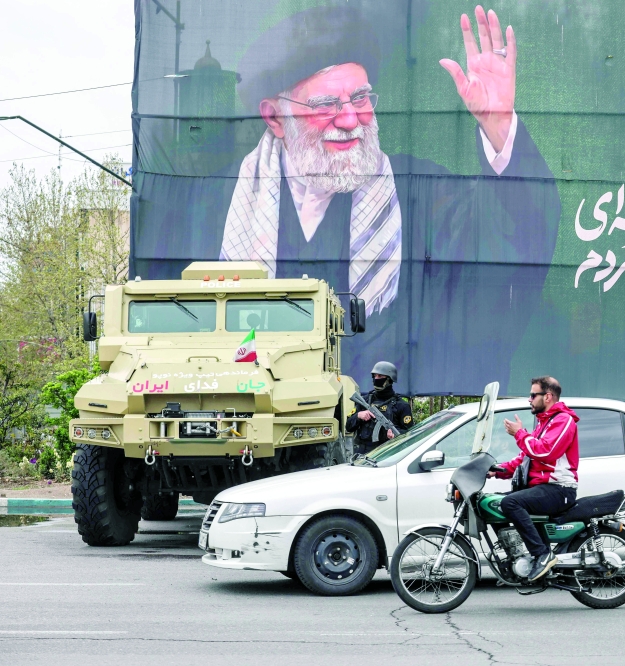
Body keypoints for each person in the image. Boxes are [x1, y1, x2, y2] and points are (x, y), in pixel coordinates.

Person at [134, 4, 560, 394]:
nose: (350, 119)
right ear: (274, 117)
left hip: (380, 438)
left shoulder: (418, 191)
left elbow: (512, 234)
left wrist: (499, 127)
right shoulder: (216, 203)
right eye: (325, 104)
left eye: (360, 98)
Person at [488, 376, 579, 582]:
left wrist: (519, 434)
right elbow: (526, 458)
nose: (529, 399)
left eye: (532, 395)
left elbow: (545, 452)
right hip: (542, 488)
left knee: (510, 502)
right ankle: (518, 557)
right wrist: (497, 470)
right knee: (494, 503)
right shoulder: (543, 424)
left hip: (559, 489)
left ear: (547, 397)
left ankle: (541, 554)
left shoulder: (564, 421)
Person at [346, 361, 413, 455]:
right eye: (375, 376)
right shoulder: (365, 401)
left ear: (390, 379)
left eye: (380, 376)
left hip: (388, 454)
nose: (376, 379)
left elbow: (410, 434)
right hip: (362, 455)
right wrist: (358, 416)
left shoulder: (401, 405)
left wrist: (396, 434)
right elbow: (348, 427)